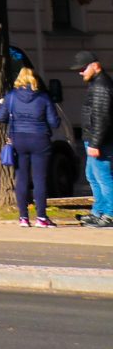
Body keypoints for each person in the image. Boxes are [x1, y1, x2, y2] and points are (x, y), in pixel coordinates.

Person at [0, 65, 63, 227]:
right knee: (40, 178)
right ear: (35, 79)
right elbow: (54, 123)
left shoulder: (11, 97)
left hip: (18, 139)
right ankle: (41, 217)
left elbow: (0, 117)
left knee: (22, 178)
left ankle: (23, 218)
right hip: (40, 140)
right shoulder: (43, 98)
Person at [75, 50, 112, 227]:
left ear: (95, 66)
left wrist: (96, 143)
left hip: (100, 141)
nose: (80, 72)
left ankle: (110, 214)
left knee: (103, 176)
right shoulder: (95, 84)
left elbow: (102, 116)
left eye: (83, 68)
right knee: (92, 175)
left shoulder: (101, 86)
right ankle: (98, 212)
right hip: (92, 138)